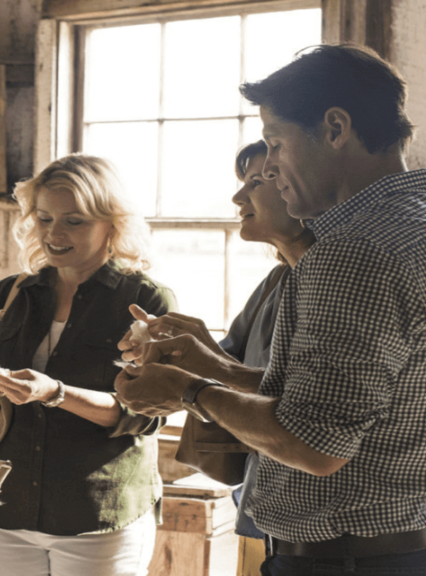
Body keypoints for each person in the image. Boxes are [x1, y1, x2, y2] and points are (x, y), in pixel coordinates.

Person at [116, 44, 426, 575]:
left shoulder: (353, 251)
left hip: (349, 562)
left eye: (276, 143)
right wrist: (216, 366)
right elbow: (345, 402)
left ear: (334, 128)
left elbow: (315, 443)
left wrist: (187, 391)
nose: (271, 166)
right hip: (423, 547)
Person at [0, 154, 176, 576]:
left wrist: (55, 393)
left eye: (74, 221)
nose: (54, 233)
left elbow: (145, 414)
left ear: (113, 223)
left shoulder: (147, 301)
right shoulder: (9, 295)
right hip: (3, 508)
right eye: (43, 218)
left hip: (98, 516)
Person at [120, 140, 315, 547]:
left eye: (259, 181)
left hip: (322, 526)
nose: (238, 196)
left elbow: (308, 402)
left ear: (305, 189)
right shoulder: (276, 282)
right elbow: (231, 364)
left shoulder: (336, 285)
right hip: (262, 504)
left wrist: (189, 385)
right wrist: (175, 351)